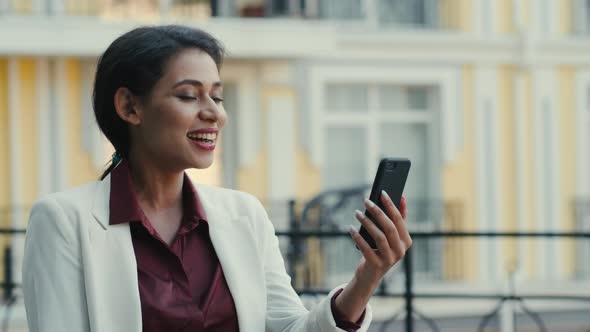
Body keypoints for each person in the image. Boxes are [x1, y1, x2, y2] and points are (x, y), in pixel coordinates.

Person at [21, 25, 412, 332]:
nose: (214, 114)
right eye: (189, 96)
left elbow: (291, 328)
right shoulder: (63, 221)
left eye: (217, 97)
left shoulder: (244, 215)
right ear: (129, 106)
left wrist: (367, 278)